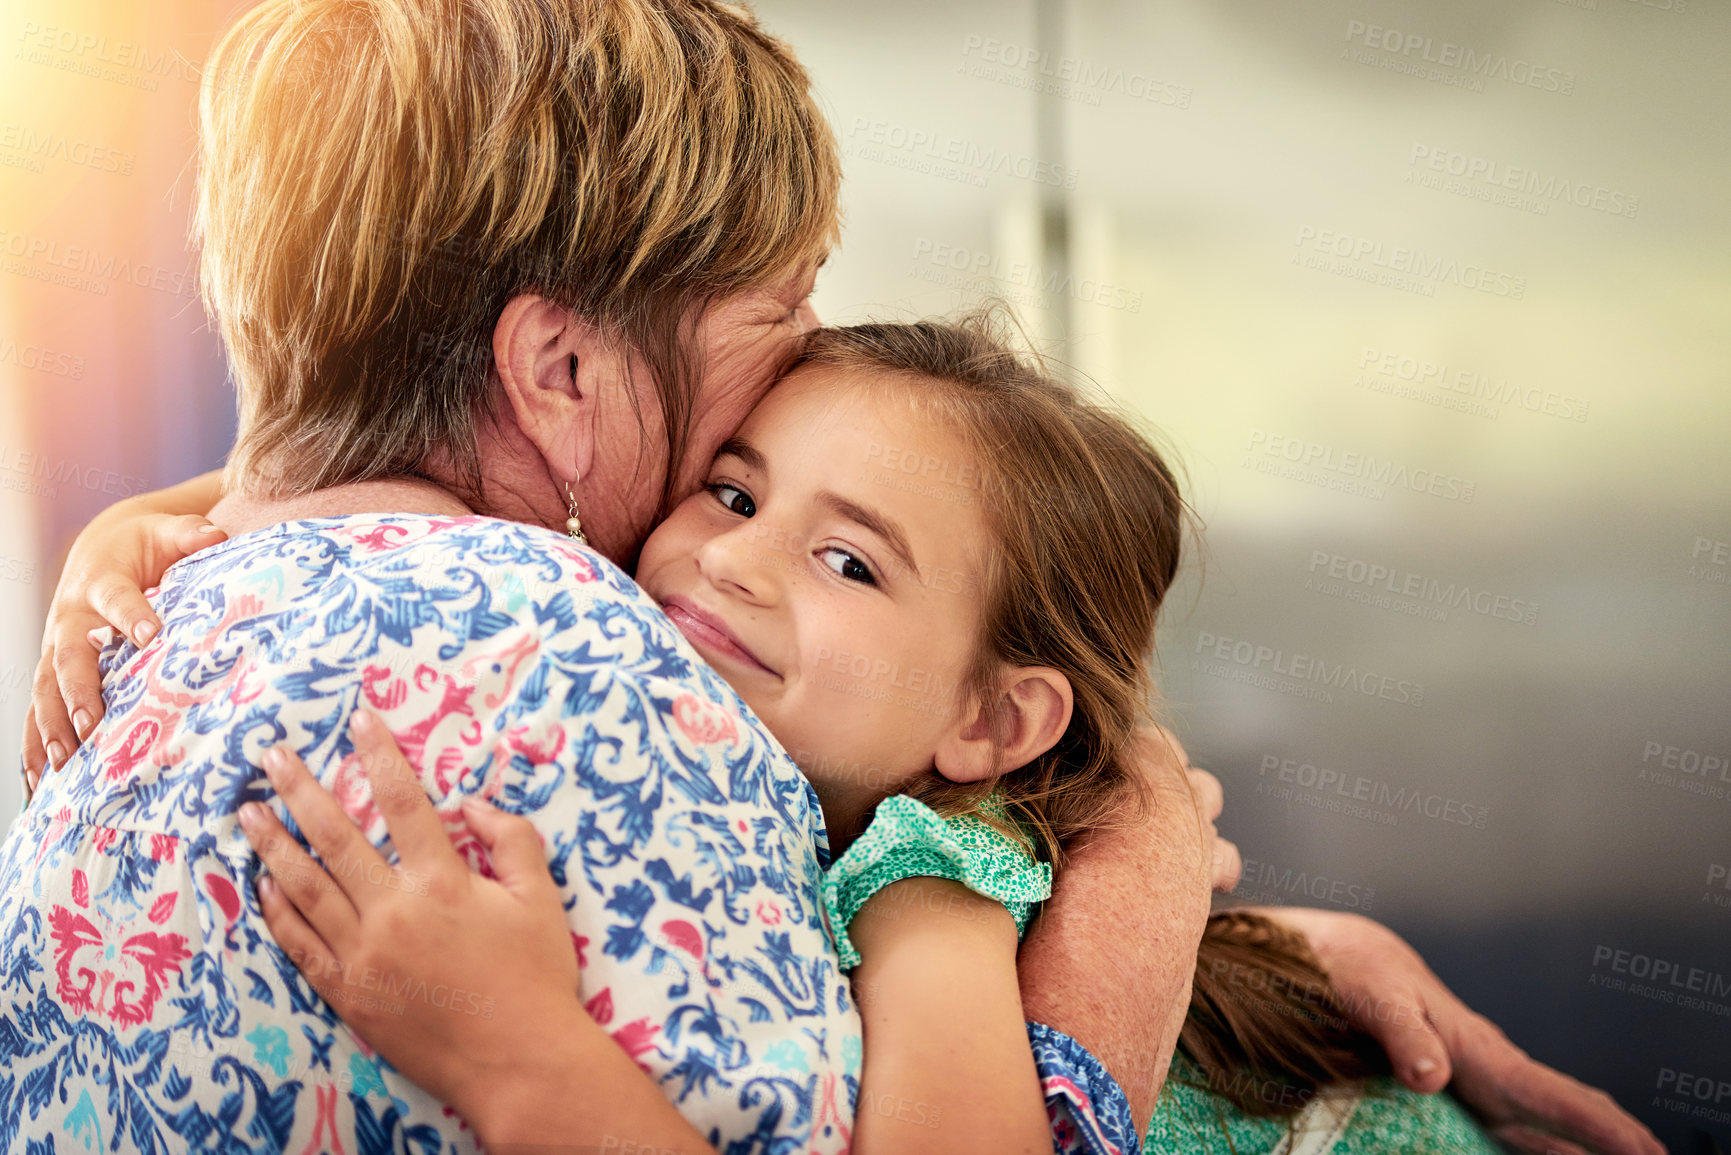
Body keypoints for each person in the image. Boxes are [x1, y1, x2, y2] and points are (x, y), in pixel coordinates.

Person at [14, 2, 1664, 1154]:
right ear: (563, 380)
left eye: (850, 553)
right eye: (773, 338)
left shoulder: (919, 867)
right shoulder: (611, 679)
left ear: (998, 715)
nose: (727, 552)